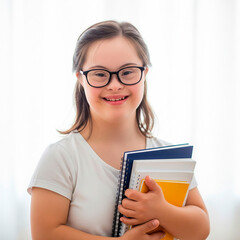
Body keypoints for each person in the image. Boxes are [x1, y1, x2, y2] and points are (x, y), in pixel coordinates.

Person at [28, 20, 210, 240]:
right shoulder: (62, 156)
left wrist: (162, 211)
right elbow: (45, 234)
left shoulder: (169, 155)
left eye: (127, 72)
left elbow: (201, 229)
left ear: (144, 73)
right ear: (80, 79)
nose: (114, 84)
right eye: (99, 74)